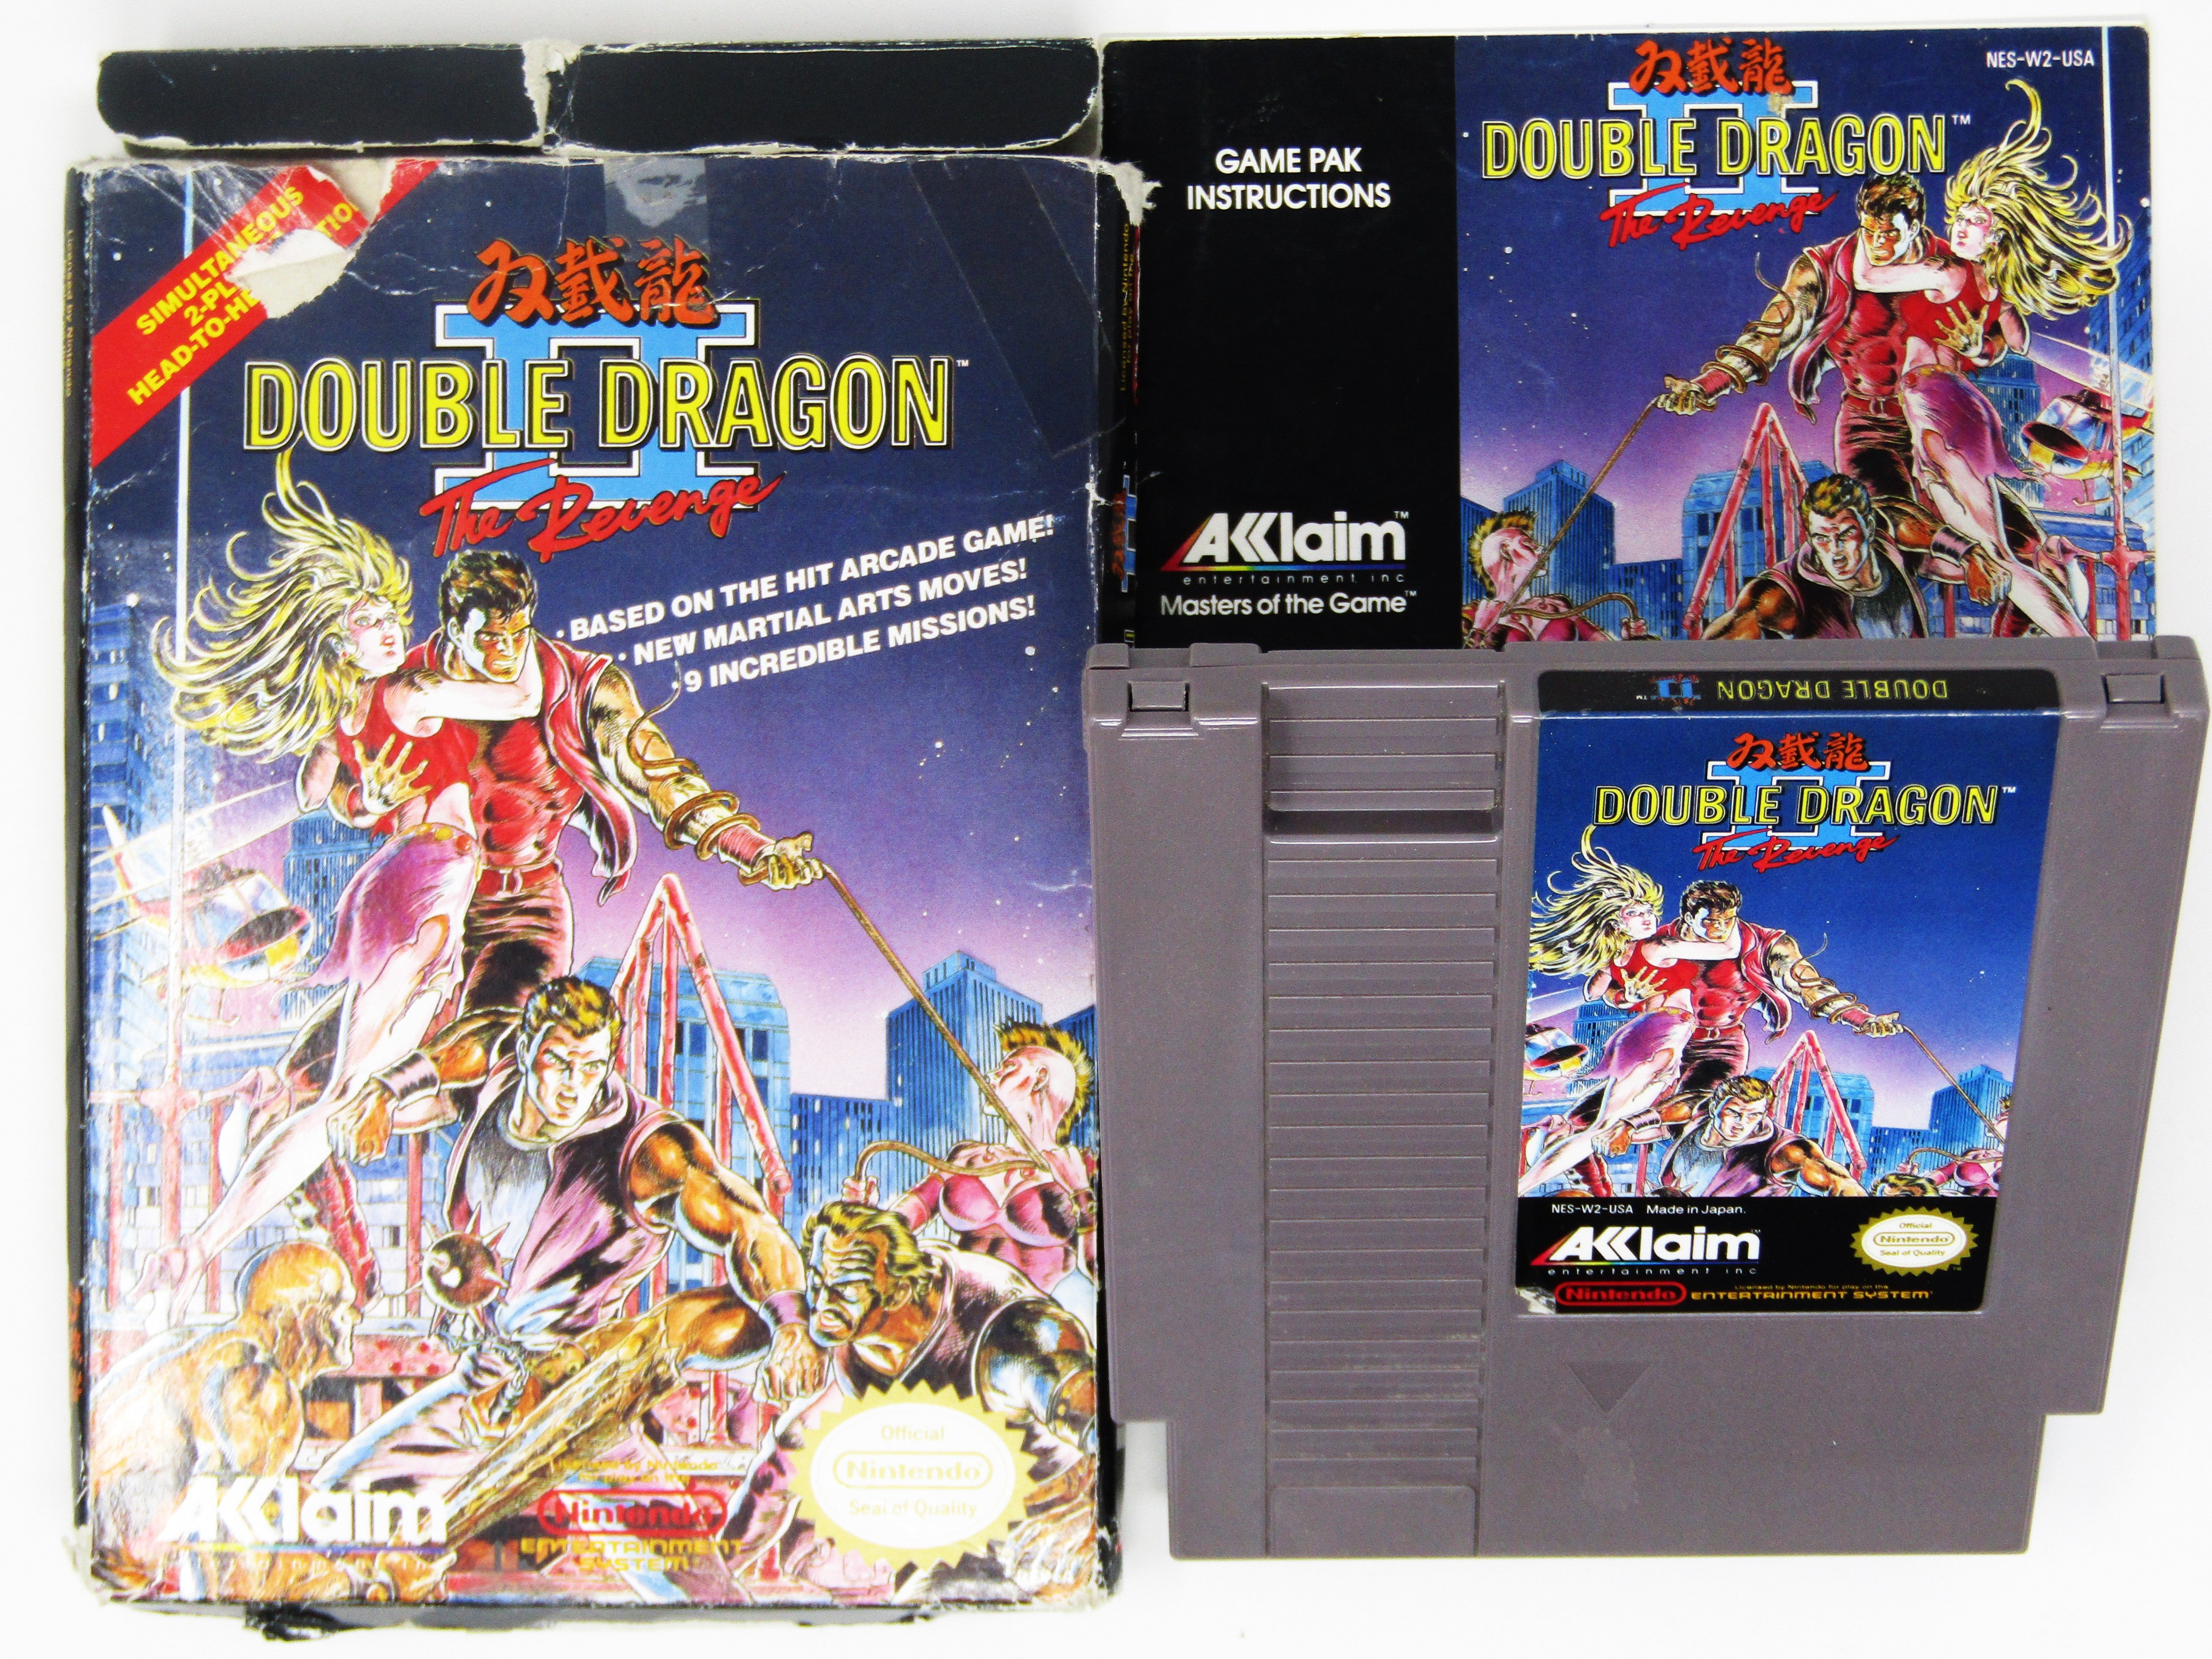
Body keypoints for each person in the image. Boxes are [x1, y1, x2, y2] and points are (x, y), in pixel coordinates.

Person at [146, 454, 541, 1306]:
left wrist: (367, 797)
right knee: (342, 1093)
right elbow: (517, 697)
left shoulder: (342, 725)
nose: (391, 630)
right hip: (430, 887)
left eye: (391, 616)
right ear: (339, 640)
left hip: (386, 890)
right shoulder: (413, 692)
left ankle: (202, 1243)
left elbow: (311, 793)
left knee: (329, 1104)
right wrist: (511, 644)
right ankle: (211, 1235)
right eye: (369, 621)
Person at [306, 976, 824, 1541]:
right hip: (485, 1383)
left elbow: (749, 1225)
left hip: (581, 1397)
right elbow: (467, 1043)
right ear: (528, 1049)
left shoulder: (647, 1150)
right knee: (333, 1511)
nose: (575, 1085)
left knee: (682, 1578)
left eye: (593, 1066)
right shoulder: (501, 1067)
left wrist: (791, 1323)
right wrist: (385, 1092)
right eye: (559, 1063)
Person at [1841, 82, 2127, 637]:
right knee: (1986, 549)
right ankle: (2071, 637)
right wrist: (1980, 347)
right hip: (1950, 412)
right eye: (1962, 217)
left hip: (1938, 405)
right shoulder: (1996, 291)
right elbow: (2015, 342)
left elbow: (1868, 276)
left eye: (1975, 223)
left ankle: (2072, 641)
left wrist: (1867, 227)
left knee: (1994, 552)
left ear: (1996, 237)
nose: (1960, 227)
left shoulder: (1948, 273)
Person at [723, 1202, 1098, 1601]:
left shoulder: (1012, 1339)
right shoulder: (864, 1338)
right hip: (965, 1520)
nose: (821, 1304)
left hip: (1052, 1515)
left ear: (900, 1291)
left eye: (843, 1290)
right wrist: (720, 1569)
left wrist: (1089, 1514)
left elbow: (1089, 1412)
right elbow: (784, 1463)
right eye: (816, 1283)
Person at [1657, 172, 2003, 591]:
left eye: (1890, 234)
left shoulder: (1950, 265)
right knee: (1887, 526)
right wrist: (1709, 384)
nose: (1878, 244)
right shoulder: (1823, 269)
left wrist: (1981, 347)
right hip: (1871, 425)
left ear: (1916, 227)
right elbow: (1773, 335)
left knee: (2011, 543)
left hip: (1941, 425)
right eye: (1870, 231)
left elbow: (2000, 330)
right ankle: (1963, 561)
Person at [88, 1240, 439, 1601]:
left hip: (96, 1554)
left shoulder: (196, 1346)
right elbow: (234, 1581)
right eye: (343, 1306)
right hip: (122, 1581)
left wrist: (343, 1532)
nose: (356, 1319)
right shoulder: (262, 1385)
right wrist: (375, 1585)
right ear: (309, 1319)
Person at [847, 1023, 1098, 1316]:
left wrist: (1081, 1193)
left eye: (1009, 1067)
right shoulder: (967, 1158)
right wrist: (864, 1215)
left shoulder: (1081, 1169)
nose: (992, 1075)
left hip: (1030, 1324)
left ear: (1040, 1078)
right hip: (954, 1319)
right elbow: (899, 1225)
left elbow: (1101, 1273)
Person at [1519, 829, 1700, 1196]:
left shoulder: (1629, 954)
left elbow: (1602, 993)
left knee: (1606, 1123)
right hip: (1659, 1033)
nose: (1647, 917)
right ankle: (1535, 1175)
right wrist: (1624, 997)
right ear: (1617, 922)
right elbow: (1597, 992)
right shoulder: (1652, 949)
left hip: (1649, 1035)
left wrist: (1623, 997)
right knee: (1609, 1120)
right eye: (1635, 913)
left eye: (1648, 911)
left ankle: (1525, 1183)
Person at [1654, 879, 1901, 1100]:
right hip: (1660, 1041)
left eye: (1728, 920)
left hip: (1720, 1046)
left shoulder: (1765, 945)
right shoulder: (1657, 944)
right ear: (1689, 918)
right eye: (1710, 921)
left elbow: (1808, 987)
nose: (1720, 928)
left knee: (1697, 1108)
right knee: (1647, 1112)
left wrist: (1860, 1018)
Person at [1703, 473, 1966, 638]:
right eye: (1822, 538)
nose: (1835, 551)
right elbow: (1738, 626)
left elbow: (1905, 518)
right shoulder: (1790, 592)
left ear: (1869, 528)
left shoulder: (1886, 540)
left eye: (1846, 534)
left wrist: (1969, 553)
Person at [1653, 1076, 1866, 1199]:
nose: (1742, 1123)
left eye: (1754, 1115)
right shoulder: (1698, 1113)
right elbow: (1652, 1118)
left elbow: (1840, 1184)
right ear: (1714, 1108)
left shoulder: (1782, 1152)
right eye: (1734, 1113)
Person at [1462, 510, 1647, 647]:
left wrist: (1634, 642)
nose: (1541, 548)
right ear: (1505, 551)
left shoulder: (1556, 606)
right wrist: (1479, 631)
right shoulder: (1472, 615)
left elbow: (1608, 654)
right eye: (1528, 544)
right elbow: (1459, 673)